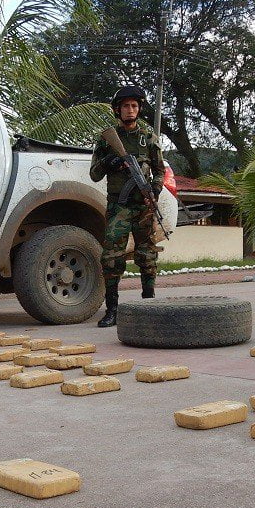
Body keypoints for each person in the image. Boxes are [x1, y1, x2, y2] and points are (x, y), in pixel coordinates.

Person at [89, 85, 165, 327]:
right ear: (117, 110)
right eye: (125, 106)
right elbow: (94, 174)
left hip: (143, 207)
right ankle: (112, 309)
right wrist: (110, 162)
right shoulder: (107, 139)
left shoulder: (149, 138)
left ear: (139, 109)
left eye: (134, 106)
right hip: (118, 208)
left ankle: (148, 303)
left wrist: (154, 189)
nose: (130, 110)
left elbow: (160, 171)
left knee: (147, 255)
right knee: (111, 257)